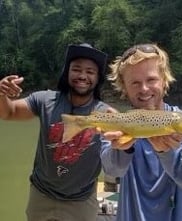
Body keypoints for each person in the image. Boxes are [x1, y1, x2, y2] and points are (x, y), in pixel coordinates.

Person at [0, 43, 111, 221]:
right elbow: (9, 112)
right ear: (66, 72)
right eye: (76, 69)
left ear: (98, 78)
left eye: (90, 72)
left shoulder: (107, 114)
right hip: (41, 195)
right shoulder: (45, 101)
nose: (82, 76)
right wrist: (1, 94)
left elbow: (123, 150)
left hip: (81, 201)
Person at [100, 43, 182, 221]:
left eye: (151, 80)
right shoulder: (117, 125)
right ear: (124, 88)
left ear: (164, 80)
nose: (144, 89)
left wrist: (168, 152)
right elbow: (112, 169)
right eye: (135, 83)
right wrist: (122, 149)